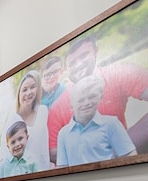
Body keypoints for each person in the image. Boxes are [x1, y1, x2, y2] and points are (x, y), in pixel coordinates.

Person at [48, 36, 148, 164]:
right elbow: (55, 154)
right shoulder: (57, 109)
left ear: (96, 51)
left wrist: (122, 146)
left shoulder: (117, 74)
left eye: (84, 55)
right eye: (72, 63)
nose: (79, 65)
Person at [56, 75, 137, 167]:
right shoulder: (63, 133)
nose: (87, 103)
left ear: (100, 98)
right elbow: (63, 167)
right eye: (81, 100)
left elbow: (129, 156)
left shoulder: (111, 123)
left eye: (92, 97)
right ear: (71, 105)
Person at [0, 70, 51, 170]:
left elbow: (44, 146)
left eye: (32, 87)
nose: (29, 92)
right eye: (24, 89)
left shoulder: (43, 111)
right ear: (19, 93)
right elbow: (4, 156)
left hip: (43, 172)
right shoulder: (12, 120)